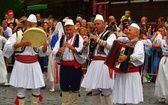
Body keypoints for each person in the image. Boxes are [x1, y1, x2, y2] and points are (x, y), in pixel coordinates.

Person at [3, 14, 51, 105]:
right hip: (21, 63)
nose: (32, 27)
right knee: (21, 89)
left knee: (36, 88)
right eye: (30, 24)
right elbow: (7, 48)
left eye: (34, 25)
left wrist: (45, 46)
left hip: (34, 63)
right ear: (26, 24)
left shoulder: (39, 35)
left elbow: (42, 52)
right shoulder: (18, 34)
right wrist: (21, 44)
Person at [81, 14, 116, 105]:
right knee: (94, 89)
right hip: (94, 63)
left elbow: (112, 46)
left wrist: (98, 40)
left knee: (105, 89)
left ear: (104, 24)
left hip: (104, 63)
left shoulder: (110, 34)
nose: (96, 26)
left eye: (98, 24)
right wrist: (85, 45)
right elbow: (87, 53)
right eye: (95, 24)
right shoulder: (93, 35)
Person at [53, 19, 86, 105]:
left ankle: (74, 103)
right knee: (64, 87)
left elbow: (83, 51)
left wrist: (72, 48)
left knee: (75, 87)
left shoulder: (79, 38)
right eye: (67, 30)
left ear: (74, 29)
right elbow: (54, 50)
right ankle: (64, 103)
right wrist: (58, 52)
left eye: (70, 29)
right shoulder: (61, 38)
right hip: (64, 66)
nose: (68, 32)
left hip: (74, 66)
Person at [112, 23, 144, 105]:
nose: (127, 32)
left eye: (130, 30)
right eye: (127, 30)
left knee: (131, 97)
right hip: (122, 73)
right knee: (122, 97)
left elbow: (139, 55)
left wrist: (127, 58)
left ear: (137, 32)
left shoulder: (139, 43)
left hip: (132, 74)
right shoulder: (125, 42)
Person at [154, 29, 168, 103]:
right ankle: (162, 95)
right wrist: (155, 35)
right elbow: (152, 44)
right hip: (164, 60)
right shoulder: (162, 41)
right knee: (162, 78)